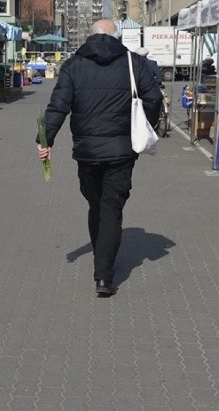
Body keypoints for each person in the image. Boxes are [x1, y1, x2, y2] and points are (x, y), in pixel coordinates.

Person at [36, 18, 161, 297]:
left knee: (96, 205)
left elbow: (58, 105)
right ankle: (104, 276)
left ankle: (101, 264)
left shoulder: (73, 65)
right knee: (111, 209)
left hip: (87, 152)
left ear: (90, 37)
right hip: (122, 150)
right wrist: (143, 127)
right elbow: (154, 99)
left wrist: (44, 139)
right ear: (115, 36)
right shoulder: (133, 63)